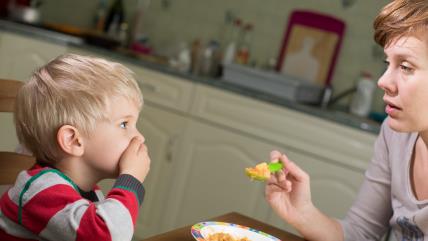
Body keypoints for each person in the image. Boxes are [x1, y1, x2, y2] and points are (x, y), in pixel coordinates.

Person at [265, 0, 428, 240]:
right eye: (388, 63)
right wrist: (302, 213)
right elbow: (359, 234)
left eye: (405, 66)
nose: (383, 81)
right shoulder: (394, 135)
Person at [0, 54, 151, 241]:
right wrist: (131, 180)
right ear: (73, 140)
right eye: (124, 124)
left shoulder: (87, 190)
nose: (139, 137)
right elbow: (110, 236)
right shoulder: (40, 191)